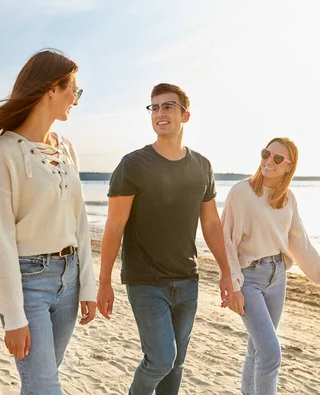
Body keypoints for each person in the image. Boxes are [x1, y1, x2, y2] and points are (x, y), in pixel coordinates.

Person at [0, 49, 97, 395]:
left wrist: (88, 284)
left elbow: (79, 219)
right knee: (44, 385)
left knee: (41, 381)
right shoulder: (1, 153)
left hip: (69, 280)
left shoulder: (66, 147)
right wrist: (12, 316)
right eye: (74, 90)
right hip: (28, 285)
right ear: (51, 88)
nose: (76, 100)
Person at [97, 83, 235, 395]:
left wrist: (226, 271)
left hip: (188, 281)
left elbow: (211, 223)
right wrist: (104, 280)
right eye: (154, 107)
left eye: (168, 106)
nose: (160, 113)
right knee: (161, 359)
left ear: (185, 115)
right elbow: (115, 225)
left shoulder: (202, 166)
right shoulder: (133, 164)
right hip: (145, 281)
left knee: (177, 363)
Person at [220, 137, 320, 395]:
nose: (269, 161)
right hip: (249, 278)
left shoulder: (288, 199)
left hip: (277, 277)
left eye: (277, 158)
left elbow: (300, 244)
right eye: (266, 154)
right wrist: (234, 285)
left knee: (256, 349)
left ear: (288, 167)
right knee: (270, 354)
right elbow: (226, 243)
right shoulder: (241, 192)